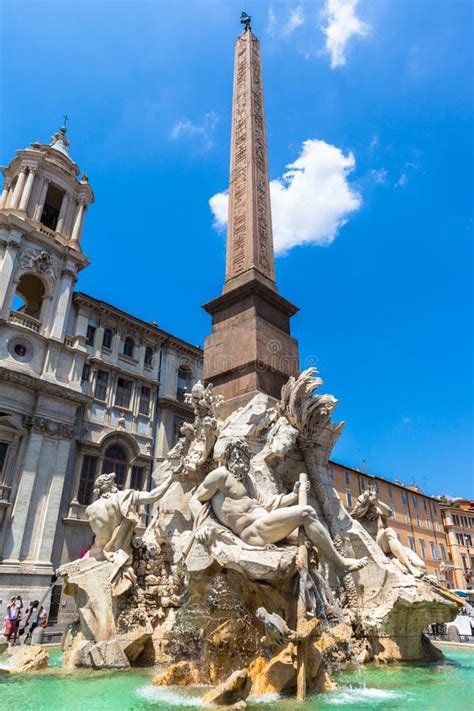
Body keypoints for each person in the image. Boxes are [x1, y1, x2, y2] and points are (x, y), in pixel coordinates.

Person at [189, 439, 368, 574]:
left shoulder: (248, 480)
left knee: (315, 536)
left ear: (247, 459)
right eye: (233, 455)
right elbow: (195, 499)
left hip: (265, 524)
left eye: (241, 454)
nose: (237, 458)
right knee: (306, 512)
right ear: (227, 459)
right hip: (251, 532)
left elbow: (267, 504)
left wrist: (294, 495)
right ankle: (341, 563)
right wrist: (204, 525)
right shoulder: (220, 475)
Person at [85, 468, 175, 596]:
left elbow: (100, 536)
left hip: (101, 556)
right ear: (110, 486)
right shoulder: (123, 497)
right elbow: (153, 495)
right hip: (122, 555)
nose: (116, 485)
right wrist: (171, 478)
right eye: (114, 483)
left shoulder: (90, 509)